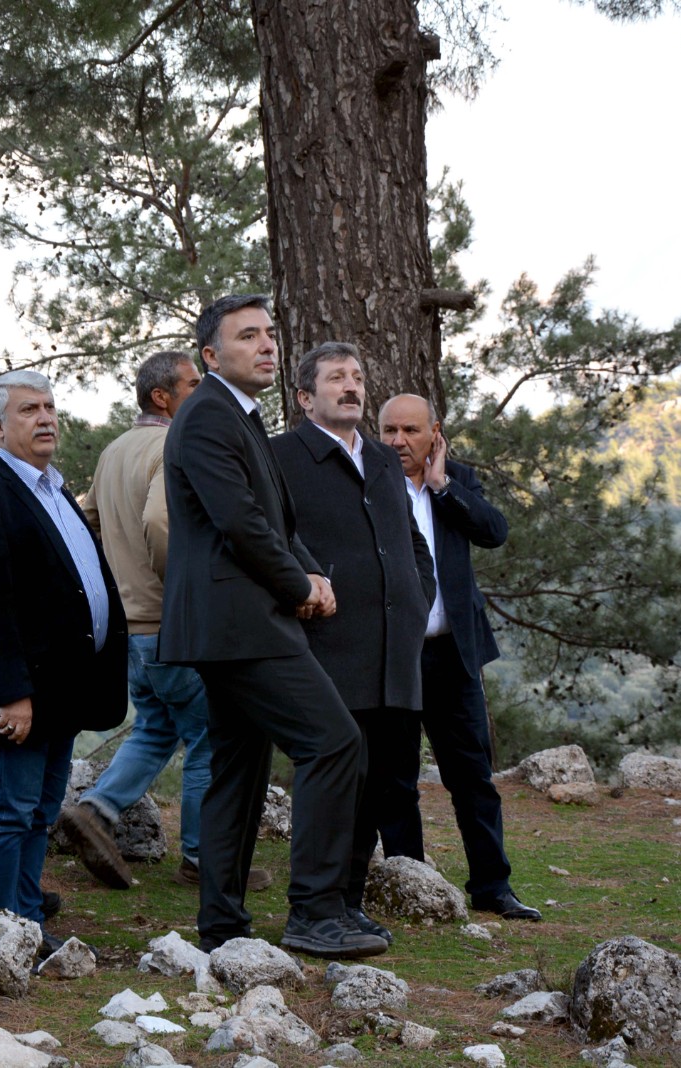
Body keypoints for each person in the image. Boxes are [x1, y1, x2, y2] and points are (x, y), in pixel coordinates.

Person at [159, 294, 387, 960]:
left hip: (237, 623)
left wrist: (311, 571)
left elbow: (274, 522)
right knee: (334, 742)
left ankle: (223, 924)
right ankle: (316, 912)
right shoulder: (208, 415)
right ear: (211, 355)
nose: (266, 345)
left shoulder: (238, 414)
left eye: (268, 334)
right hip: (240, 624)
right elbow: (239, 523)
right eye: (247, 336)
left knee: (239, 772)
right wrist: (298, 586)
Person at [59, 351, 273, 893]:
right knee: (210, 739)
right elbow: (159, 521)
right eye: (193, 383)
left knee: (157, 727)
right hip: (169, 622)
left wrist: (116, 584)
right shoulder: (168, 446)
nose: (204, 391)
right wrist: (180, 588)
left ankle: (96, 809)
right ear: (162, 396)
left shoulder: (113, 451)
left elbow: (86, 522)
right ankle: (204, 859)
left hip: (132, 629)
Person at [0, 370, 128, 956]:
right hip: (21, 697)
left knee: (40, 811)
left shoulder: (55, 490)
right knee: (9, 811)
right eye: (29, 410)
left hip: (63, 692)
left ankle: (25, 925)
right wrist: (12, 694)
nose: (46, 418)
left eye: (49, 407)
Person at [271, 342, 436, 947]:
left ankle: (349, 903)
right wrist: (307, 583)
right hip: (328, 644)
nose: (351, 386)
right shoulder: (281, 456)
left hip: (395, 648)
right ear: (304, 396)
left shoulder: (385, 459)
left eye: (358, 377)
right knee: (338, 777)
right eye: (336, 377)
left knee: (378, 784)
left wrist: (418, 597)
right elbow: (273, 536)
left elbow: (411, 539)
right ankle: (313, 909)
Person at [379, 393, 540, 921]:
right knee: (395, 780)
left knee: (473, 778)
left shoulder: (458, 479)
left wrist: (443, 486)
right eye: (389, 431)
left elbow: (494, 532)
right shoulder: (369, 481)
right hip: (394, 655)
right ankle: (408, 884)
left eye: (410, 430)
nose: (398, 441)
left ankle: (493, 887)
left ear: (435, 433)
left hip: (454, 654)